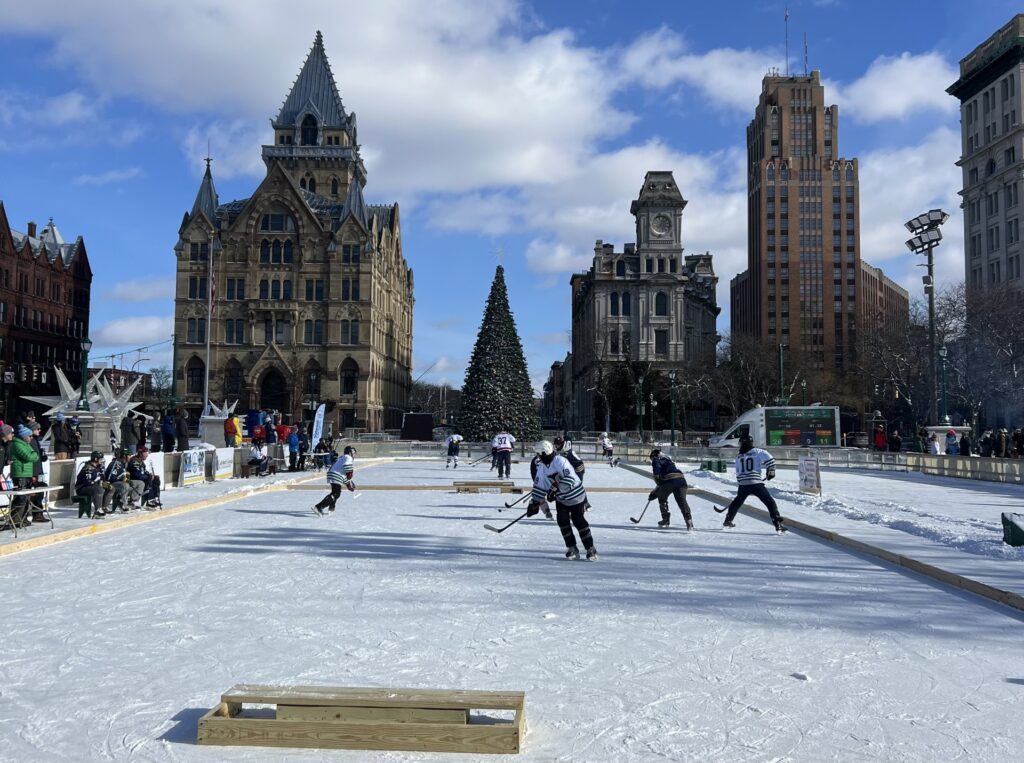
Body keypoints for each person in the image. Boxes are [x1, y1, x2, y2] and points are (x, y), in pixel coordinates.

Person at [526, 440, 597, 560]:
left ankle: (590, 548)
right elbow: (540, 486)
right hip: (562, 499)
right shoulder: (542, 467)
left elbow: (570, 479)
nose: (537, 456)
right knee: (562, 521)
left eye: (538, 453)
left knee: (578, 521)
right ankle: (572, 548)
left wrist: (554, 489)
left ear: (543, 453)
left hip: (575, 496)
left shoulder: (560, 461)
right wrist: (535, 502)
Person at [720, 435, 786, 533]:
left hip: (743, 484)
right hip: (756, 483)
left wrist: (742, 482)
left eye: (741, 443)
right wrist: (770, 471)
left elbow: (738, 471)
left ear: (744, 443)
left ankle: (728, 520)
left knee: (737, 502)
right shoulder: (758, 451)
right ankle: (777, 523)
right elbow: (771, 460)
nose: (740, 445)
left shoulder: (739, 456)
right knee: (770, 502)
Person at [648, 448, 694, 530]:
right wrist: (656, 490)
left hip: (670, 481)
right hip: (681, 480)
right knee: (682, 501)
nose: (651, 460)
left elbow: (658, 477)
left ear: (654, 455)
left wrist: (656, 493)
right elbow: (661, 482)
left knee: (662, 498)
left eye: (651, 458)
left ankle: (665, 519)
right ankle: (689, 520)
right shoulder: (668, 460)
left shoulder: (656, 459)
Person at [9, 425, 40, 527]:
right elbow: (29, 456)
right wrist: (34, 454)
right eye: (30, 436)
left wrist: (34, 454)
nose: (31, 438)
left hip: (27, 473)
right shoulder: (17, 444)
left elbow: (35, 456)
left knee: (26, 498)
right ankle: (15, 520)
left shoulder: (26, 444)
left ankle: (23, 519)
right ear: (24, 436)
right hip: (20, 474)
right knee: (20, 498)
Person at [313, 445, 357, 515]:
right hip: (335, 475)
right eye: (354, 453)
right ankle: (319, 507)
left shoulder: (342, 458)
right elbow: (347, 467)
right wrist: (350, 473)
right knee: (336, 494)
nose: (354, 456)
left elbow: (342, 474)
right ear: (350, 453)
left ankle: (331, 507)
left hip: (333, 474)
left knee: (335, 492)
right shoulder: (348, 457)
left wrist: (348, 483)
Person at [75, 451, 109, 518]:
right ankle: (98, 510)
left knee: (109, 487)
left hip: (92, 486)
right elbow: (88, 482)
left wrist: (105, 483)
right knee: (99, 489)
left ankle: (104, 507)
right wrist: (98, 482)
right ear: (96, 459)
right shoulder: (88, 468)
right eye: (100, 459)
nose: (102, 461)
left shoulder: (99, 467)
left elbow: (103, 478)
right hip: (82, 488)